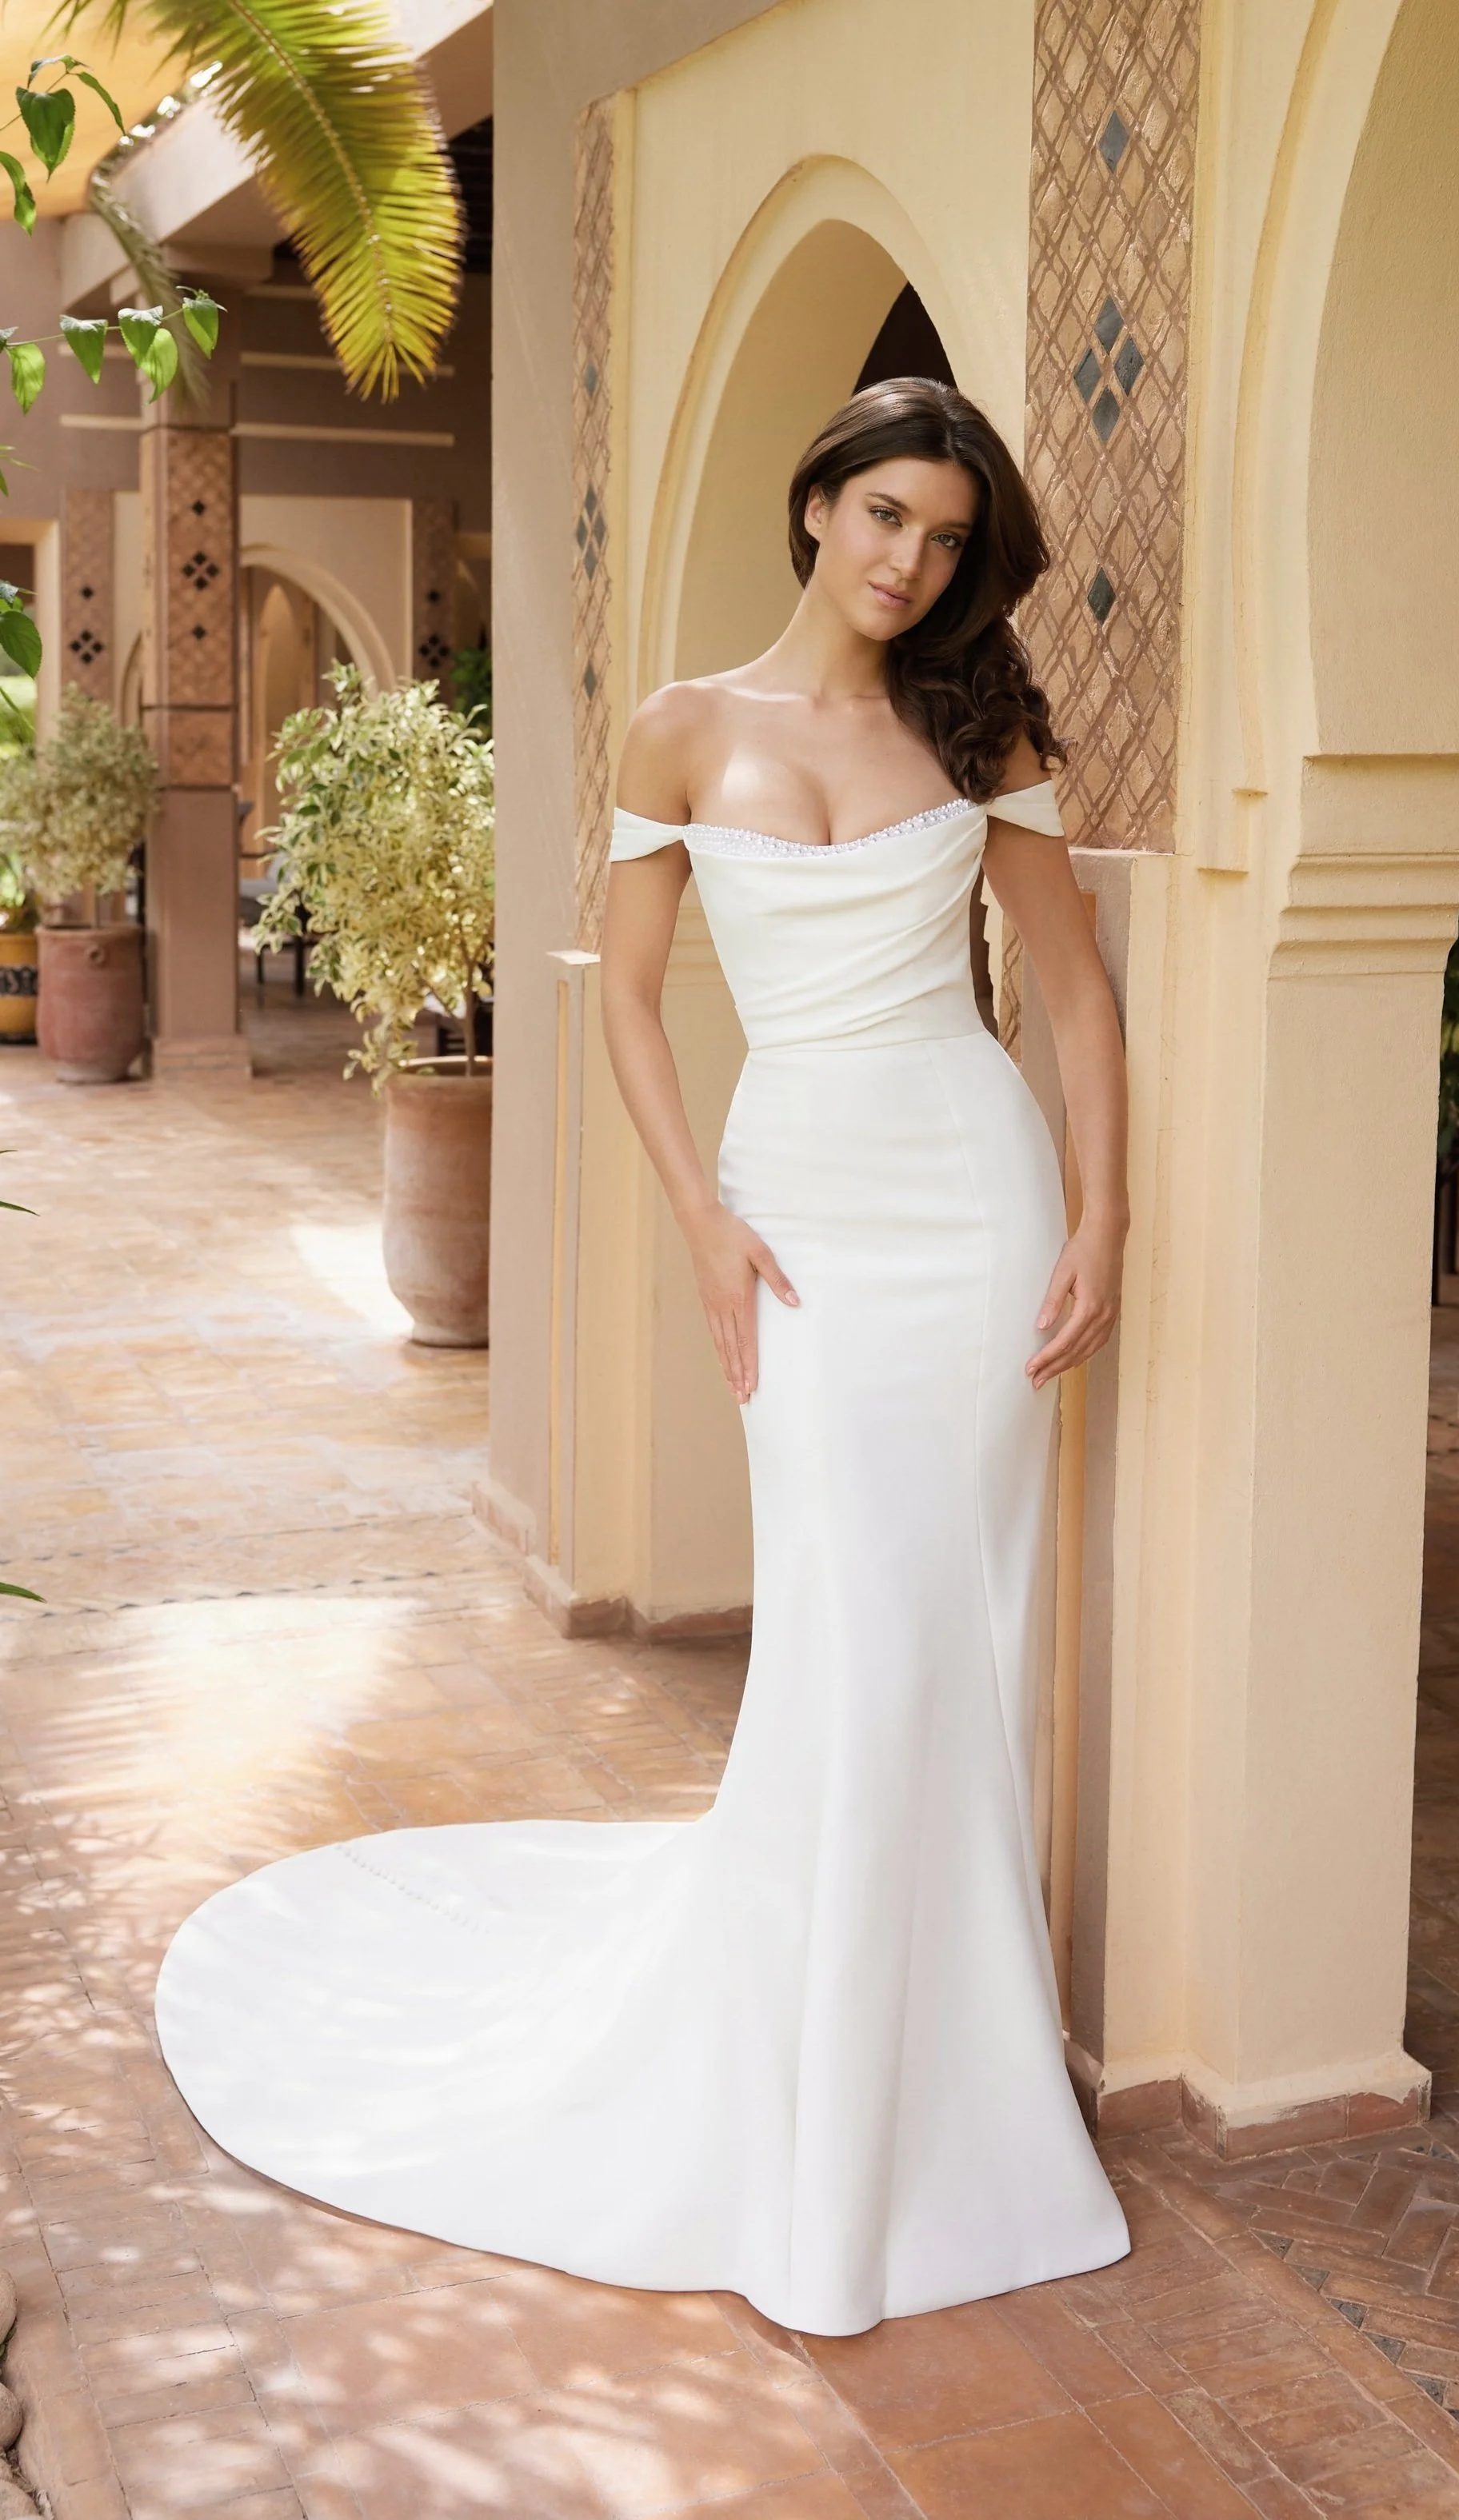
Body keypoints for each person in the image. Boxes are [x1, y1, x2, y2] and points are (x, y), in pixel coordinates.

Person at [154, 378, 1132, 2338]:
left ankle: (952, 2078)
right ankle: (823, 2087)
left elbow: (1076, 992)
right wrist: (699, 1215)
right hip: (800, 1212)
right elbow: (625, 1004)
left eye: (944, 538)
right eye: (885, 518)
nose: (910, 562)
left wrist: (1107, 1214)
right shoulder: (684, 726)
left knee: (964, 1625)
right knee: (851, 1625)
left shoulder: (975, 723)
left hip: (976, 1198)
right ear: (816, 503)